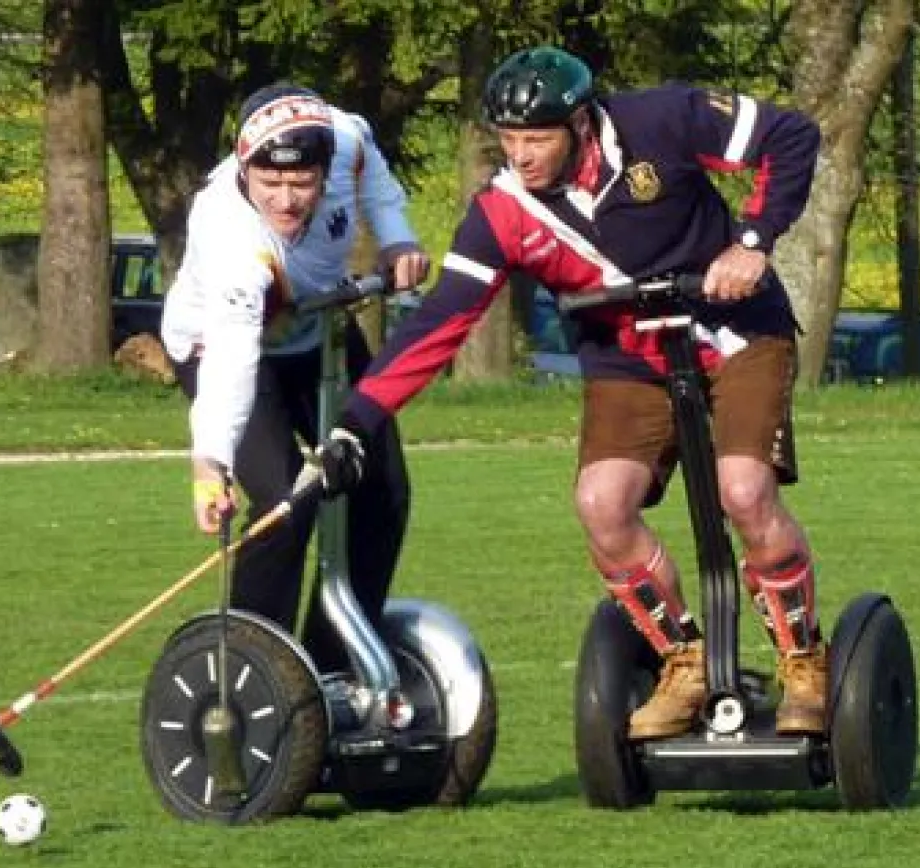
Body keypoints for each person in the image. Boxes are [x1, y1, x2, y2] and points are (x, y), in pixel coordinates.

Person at [316, 47, 827, 738]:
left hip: (736, 333)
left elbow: (790, 134)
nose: (521, 155)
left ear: (581, 124)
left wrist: (753, 241)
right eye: (509, 139)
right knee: (601, 504)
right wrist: (359, 419)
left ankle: (804, 661)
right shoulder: (504, 212)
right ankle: (686, 659)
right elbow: (443, 321)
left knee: (743, 490)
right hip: (626, 356)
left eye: (538, 139)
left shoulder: (660, 121)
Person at [161, 83, 430, 676]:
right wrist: (210, 462)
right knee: (285, 500)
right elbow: (232, 360)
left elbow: (376, 178)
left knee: (382, 489)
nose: (285, 200)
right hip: (225, 347)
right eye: (269, 184)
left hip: (316, 331)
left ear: (322, 167)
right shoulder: (230, 234)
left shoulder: (347, 139)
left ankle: (334, 669)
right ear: (244, 166)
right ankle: (256, 674)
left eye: (301, 184)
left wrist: (398, 237)